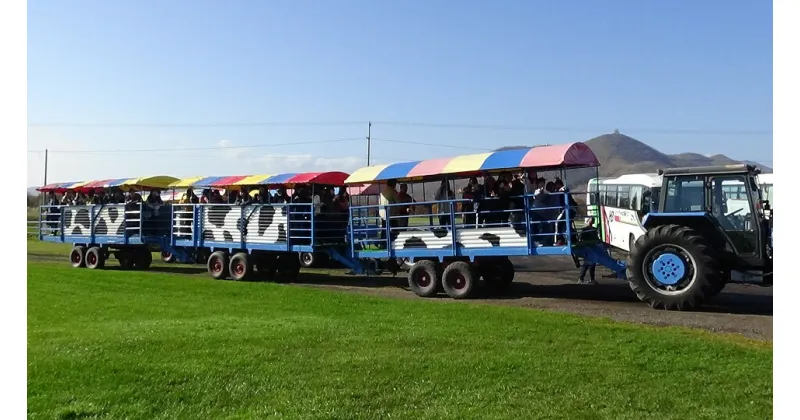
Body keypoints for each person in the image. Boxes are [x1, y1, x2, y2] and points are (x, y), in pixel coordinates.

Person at [578, 217, 600, 285]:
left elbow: (581, 238)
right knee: (590, 264)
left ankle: (582, 279)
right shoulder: (593, 229)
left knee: (587, 264)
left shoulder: (584, 229)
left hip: (587, 247)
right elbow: (596, 238)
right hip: (592, 247)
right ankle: (590, 279)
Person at [379, 179, 400, 246]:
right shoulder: (393, 192)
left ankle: (383, 244)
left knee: (384, 230)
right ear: (394, 184)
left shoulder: (383, 192)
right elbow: (398, 202)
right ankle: (393, 245)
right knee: (394, 232)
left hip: (383, 215)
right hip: (391, 215)